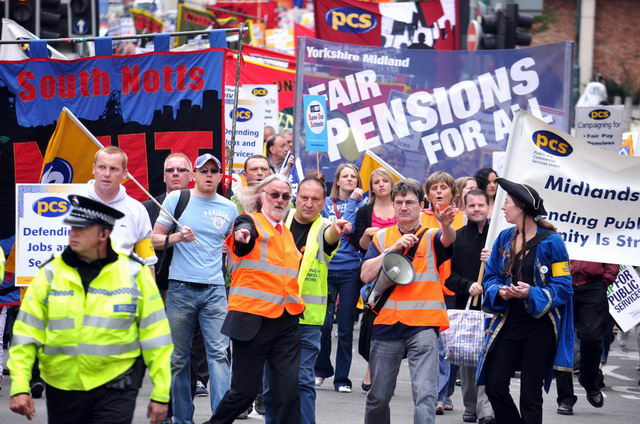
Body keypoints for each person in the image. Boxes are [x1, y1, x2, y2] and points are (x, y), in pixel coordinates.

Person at [8, 195, 172, 424]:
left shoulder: (135, 274)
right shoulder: (50, 273)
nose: (73, 234)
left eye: (81, 229)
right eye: (71, 228)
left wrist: (162, 393)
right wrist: (19, 386)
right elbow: (26, 333)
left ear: (104, 234)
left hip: (117, 384)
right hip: (62, 387)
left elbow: (157, 337)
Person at [477, 178, 574, 424]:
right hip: (508, 322)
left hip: (539, 328)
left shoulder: (552, 242)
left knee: (530, 396)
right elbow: (491, 277)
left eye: (507, 202)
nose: (502, 207)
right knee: (494, 385)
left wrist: (531, 293)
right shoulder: (504, 238)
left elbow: (563, 287)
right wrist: (500, 291)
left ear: (522, 207)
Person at [360, 178, 457, 424]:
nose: (404, 207)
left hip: (423, 325)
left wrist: (446, 225)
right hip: (386, 324)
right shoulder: (382, 237)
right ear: (393, 205)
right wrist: (391, 250)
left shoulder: (432, 235)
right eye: (399, 202)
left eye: (410, 202)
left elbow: (448, 239)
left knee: (425, 395)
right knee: (378, 397)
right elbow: (365, 275)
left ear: (420, 205)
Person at [209, 174, 303, 424]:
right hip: (252, 321)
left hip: (286, 321)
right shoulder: (249, 221)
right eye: (275, 194)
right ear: (262, 196)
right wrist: (242, 235)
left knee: (290, 390)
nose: (280, 200)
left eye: (285, 196)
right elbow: (242, 235)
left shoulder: (286, 233)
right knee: (244, 393)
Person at [152, 153, 237, 424]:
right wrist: (178, 236)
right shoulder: (177, 199)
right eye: (203, 170)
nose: (208, 175)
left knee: (220, 356)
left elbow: (233, 251)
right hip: (180, 288)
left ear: (220, 176)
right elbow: (153, 240)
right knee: (178, 359)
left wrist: (233, 259)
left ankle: (221, 419)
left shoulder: (229, 208)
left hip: (215, 290)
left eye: (213, 171)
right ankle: (182, 419)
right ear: (194, 175)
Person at [263, 175, 350, 424]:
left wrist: (337, 230)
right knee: (271, 386)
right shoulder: (279, 220)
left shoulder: (325, 227)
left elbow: (330, 237)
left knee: (302, 381)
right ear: (295, 198)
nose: (309, 204)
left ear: (324, 202)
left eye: (315, 199)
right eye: (304, 198)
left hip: (306, 319)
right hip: (272, 314)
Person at [444, 189, 495, 424]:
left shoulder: (498, 238)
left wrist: (493, 260)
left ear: (488, 207)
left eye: (481, 205)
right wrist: (468, 286)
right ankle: (470, 405)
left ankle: (486, 410)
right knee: (468, 358)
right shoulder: (457, 238)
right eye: (472, 205)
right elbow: (448, 277)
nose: (476, 209)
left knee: (491, 357)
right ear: (464, 208)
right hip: (468, 306)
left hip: (493, 307)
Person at [315, 163, 366, 393]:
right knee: (324, 325)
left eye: (353, 176)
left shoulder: (362, 205)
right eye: (345, 176)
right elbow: (334, 229)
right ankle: (322, 369)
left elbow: (349, 228)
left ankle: (342, 379)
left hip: (350, 271)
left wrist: (354, 202)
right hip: (327, 269)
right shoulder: (326, 203)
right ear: (337, 181)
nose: (349, 180)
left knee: (345, 328)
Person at [555, 260, 618, 415]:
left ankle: (589, 380)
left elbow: (613, 252)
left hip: (593, 286)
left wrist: (606, 279)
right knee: (562, 342)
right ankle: (565, 398)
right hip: (563, 283)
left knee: (592, 338)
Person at [354, 167, 397, 391]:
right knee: (372, 321)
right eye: (376, 182)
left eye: (384, 181)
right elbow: (360, 245)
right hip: (374, 271)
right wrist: (367, 234)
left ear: (391, 184)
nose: (381, 184)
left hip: (399, 269)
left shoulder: (400, 207)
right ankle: (371, 367)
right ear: (371, 187)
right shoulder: (365, 211)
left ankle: (384, 370)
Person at [88, 146, 157, 267]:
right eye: (102, 167)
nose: (107, 174)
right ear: (94, 168)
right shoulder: (71, 203)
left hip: (122, 279)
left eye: (114, 169)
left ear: (125, 173)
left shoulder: (137, 210)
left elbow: (148, 261)